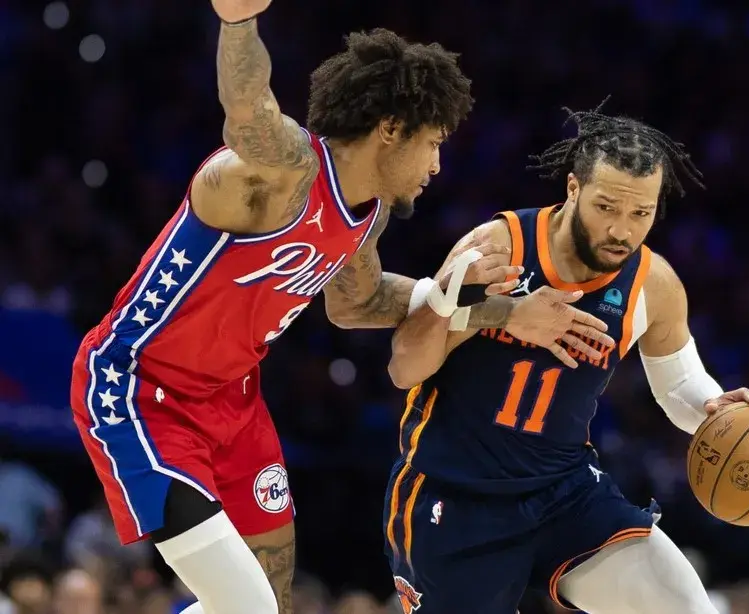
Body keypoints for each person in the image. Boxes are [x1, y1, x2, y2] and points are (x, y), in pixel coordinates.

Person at [68, 2, 610, 613]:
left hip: (233, 399)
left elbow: (359, 305)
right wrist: (237, 21)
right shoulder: (287, 171)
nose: (437, 164)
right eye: (432, 142)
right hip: (141, 388)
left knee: (265, 604)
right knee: (248, 608)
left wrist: (489, 307)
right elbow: (247, 117)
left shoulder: (367, 213)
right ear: (389, 129)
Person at [383, 101, 749, 614]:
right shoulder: (499, 247)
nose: (622, 230)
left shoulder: (654, 285)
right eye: (606, 208)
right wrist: (495, 311)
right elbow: (405, 367)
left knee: (689, 608)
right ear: (573, 189)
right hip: (456, 496)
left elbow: (680, 388)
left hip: (563, 493)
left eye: (640, 214)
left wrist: (724, 410)